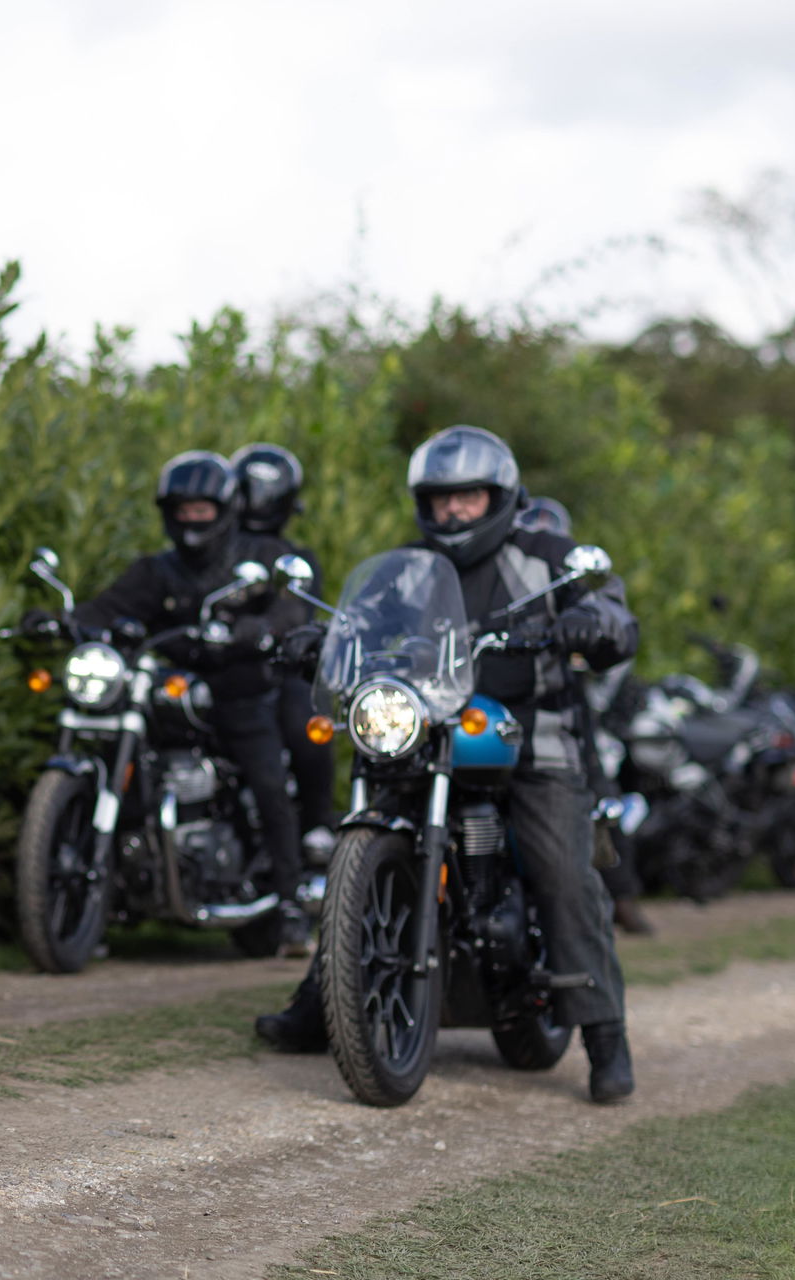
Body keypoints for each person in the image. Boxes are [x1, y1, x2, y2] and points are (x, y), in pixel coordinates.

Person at [257, 425, 639, 1104]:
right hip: (428, 729)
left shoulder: (547, 557)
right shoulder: (408, 568)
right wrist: (315, 637)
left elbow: (609, 607)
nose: (454, 510)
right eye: (441, 498)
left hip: (532, 738)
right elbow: (357, 623)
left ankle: (605, 1035)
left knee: (561, 869)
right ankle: (328, 997)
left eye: (468, 496)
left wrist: (598, 623)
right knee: (362, 831)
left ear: (501, 496)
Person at [70, 450, 310, 956]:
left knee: (268, 782)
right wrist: (64, 620)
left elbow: (292, 610)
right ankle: (96, 906)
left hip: (241, 690)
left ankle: (291, 903)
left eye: (201, 510)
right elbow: (109, 606)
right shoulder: (157, 570)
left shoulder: (260, 556)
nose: (191, 520)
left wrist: (258, 628)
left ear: (225, 509)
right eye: (182, 510)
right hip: (174, 689)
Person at [515, 494, 653, 934]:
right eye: (534, 525)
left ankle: (621, 897)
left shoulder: (570, 579)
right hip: (505, 708)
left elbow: (613, 631)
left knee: (600, 794)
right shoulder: (505, 579)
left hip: (567, 709)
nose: (541, 533)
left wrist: (584, 631)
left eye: (548, 527)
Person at [232, 443, 337, 869]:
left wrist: (268, 629)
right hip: (223, 668)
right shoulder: (216, 552)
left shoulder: (297, 559)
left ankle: (317, 823)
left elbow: (295, 611)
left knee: (306, 723)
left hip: (278, 669)